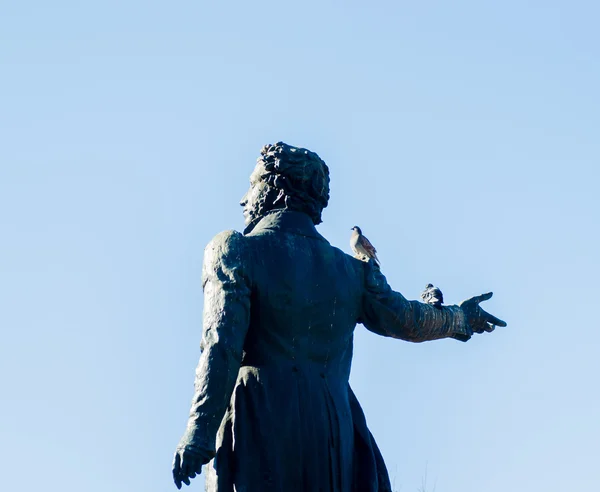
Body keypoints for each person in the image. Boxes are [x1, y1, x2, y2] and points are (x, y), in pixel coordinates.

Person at [172, 142, 506, 491]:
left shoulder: (233, 249)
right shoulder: (352, 271)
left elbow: (221, 344)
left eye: (252, 185)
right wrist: (460, 318)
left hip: (261, 420)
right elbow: (407, 319)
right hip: (334, 433)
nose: (244, 199)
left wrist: (199, 431)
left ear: (278, 191)